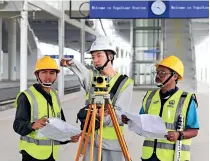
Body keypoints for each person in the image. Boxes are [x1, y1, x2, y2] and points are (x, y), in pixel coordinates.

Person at [60, 36, 134, 161]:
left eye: (99, 55)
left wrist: (101, 116)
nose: (95, 60)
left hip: (112, 144)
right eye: (93, 57)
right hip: (90, 142)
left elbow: (120, 115)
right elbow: (83, 72)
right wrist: (72, 64)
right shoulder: (92, 78)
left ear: (110, 56)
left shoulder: (125, 83)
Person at [122, 55, 199, 161]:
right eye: (157, 72)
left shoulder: (186, 99)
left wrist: (179, 134)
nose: (158, 75)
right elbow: (141, 122)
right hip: (149, 156)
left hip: (174, 157)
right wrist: (130, 121)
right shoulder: (150, 96)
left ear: (175, 76)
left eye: (162, 73)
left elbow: (194, 130)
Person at [13, 56, 81, 161]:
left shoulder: (55, 95)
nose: (48, 77)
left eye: (51, 73)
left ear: (56, 76)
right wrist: (32, 125)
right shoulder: (26, 96)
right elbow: (17, 125)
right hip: (32, 154)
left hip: (52, 154)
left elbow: (60, 125)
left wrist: (68, 138)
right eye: (44, 72)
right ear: (37, 74)